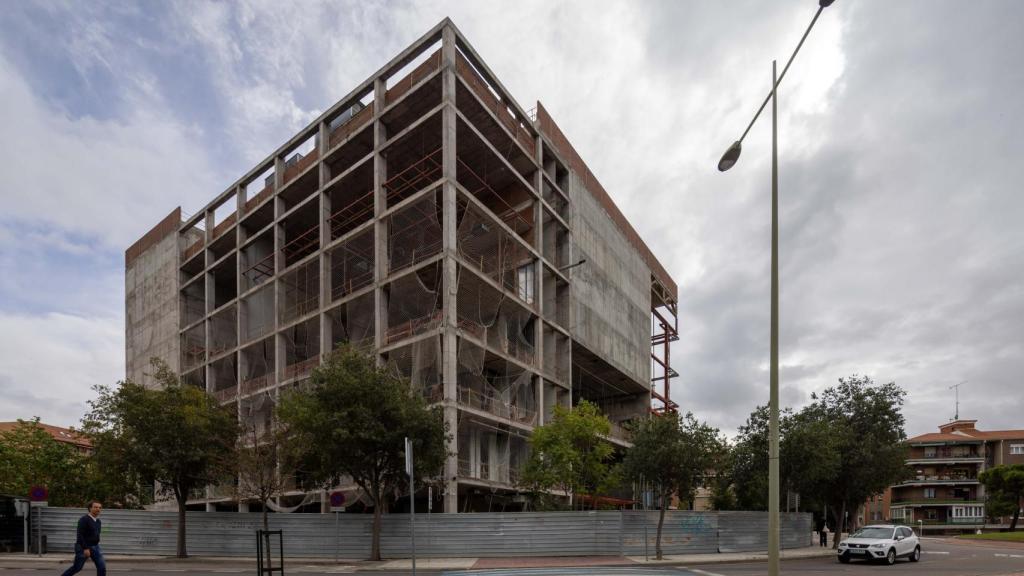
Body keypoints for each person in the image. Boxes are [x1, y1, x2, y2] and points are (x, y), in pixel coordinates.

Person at [61, 500, 105, 576]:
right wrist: (85, 548)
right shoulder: (84, 519)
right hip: (83, 547)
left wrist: (97, 543)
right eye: (96, 507)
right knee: (77, 567)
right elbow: (80, 535)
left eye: (100, 507)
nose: (98, 509)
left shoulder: (98, 521)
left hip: (95, 547)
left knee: (102, 567)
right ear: (90, 508)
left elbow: (96, 534)